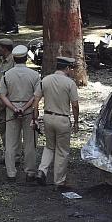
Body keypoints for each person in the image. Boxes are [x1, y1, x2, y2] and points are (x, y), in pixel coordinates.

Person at [32, 57, 79, 191]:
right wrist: (76, 121)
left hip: (48, 117)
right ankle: (59, 181)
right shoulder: (70, 83)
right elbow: (75, 105)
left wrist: (35, 117)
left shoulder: (45, 80)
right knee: (62, 151)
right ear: (67, 68)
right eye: (71, 68)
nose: (72, 71)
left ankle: (42, 170)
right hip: (62, 119)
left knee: (49, 146)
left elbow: (36, 101)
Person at [0, 45, 41, 183]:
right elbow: (36, 96)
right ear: (26, 58)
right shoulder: (35, 75)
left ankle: (11, 172)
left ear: (15, 58)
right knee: (30, 143)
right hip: (29, 111)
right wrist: (24, 108)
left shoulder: (7, 75)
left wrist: (13, 107)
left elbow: (2, 95)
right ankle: (30, 172)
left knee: (11, 143)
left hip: (12, 110)